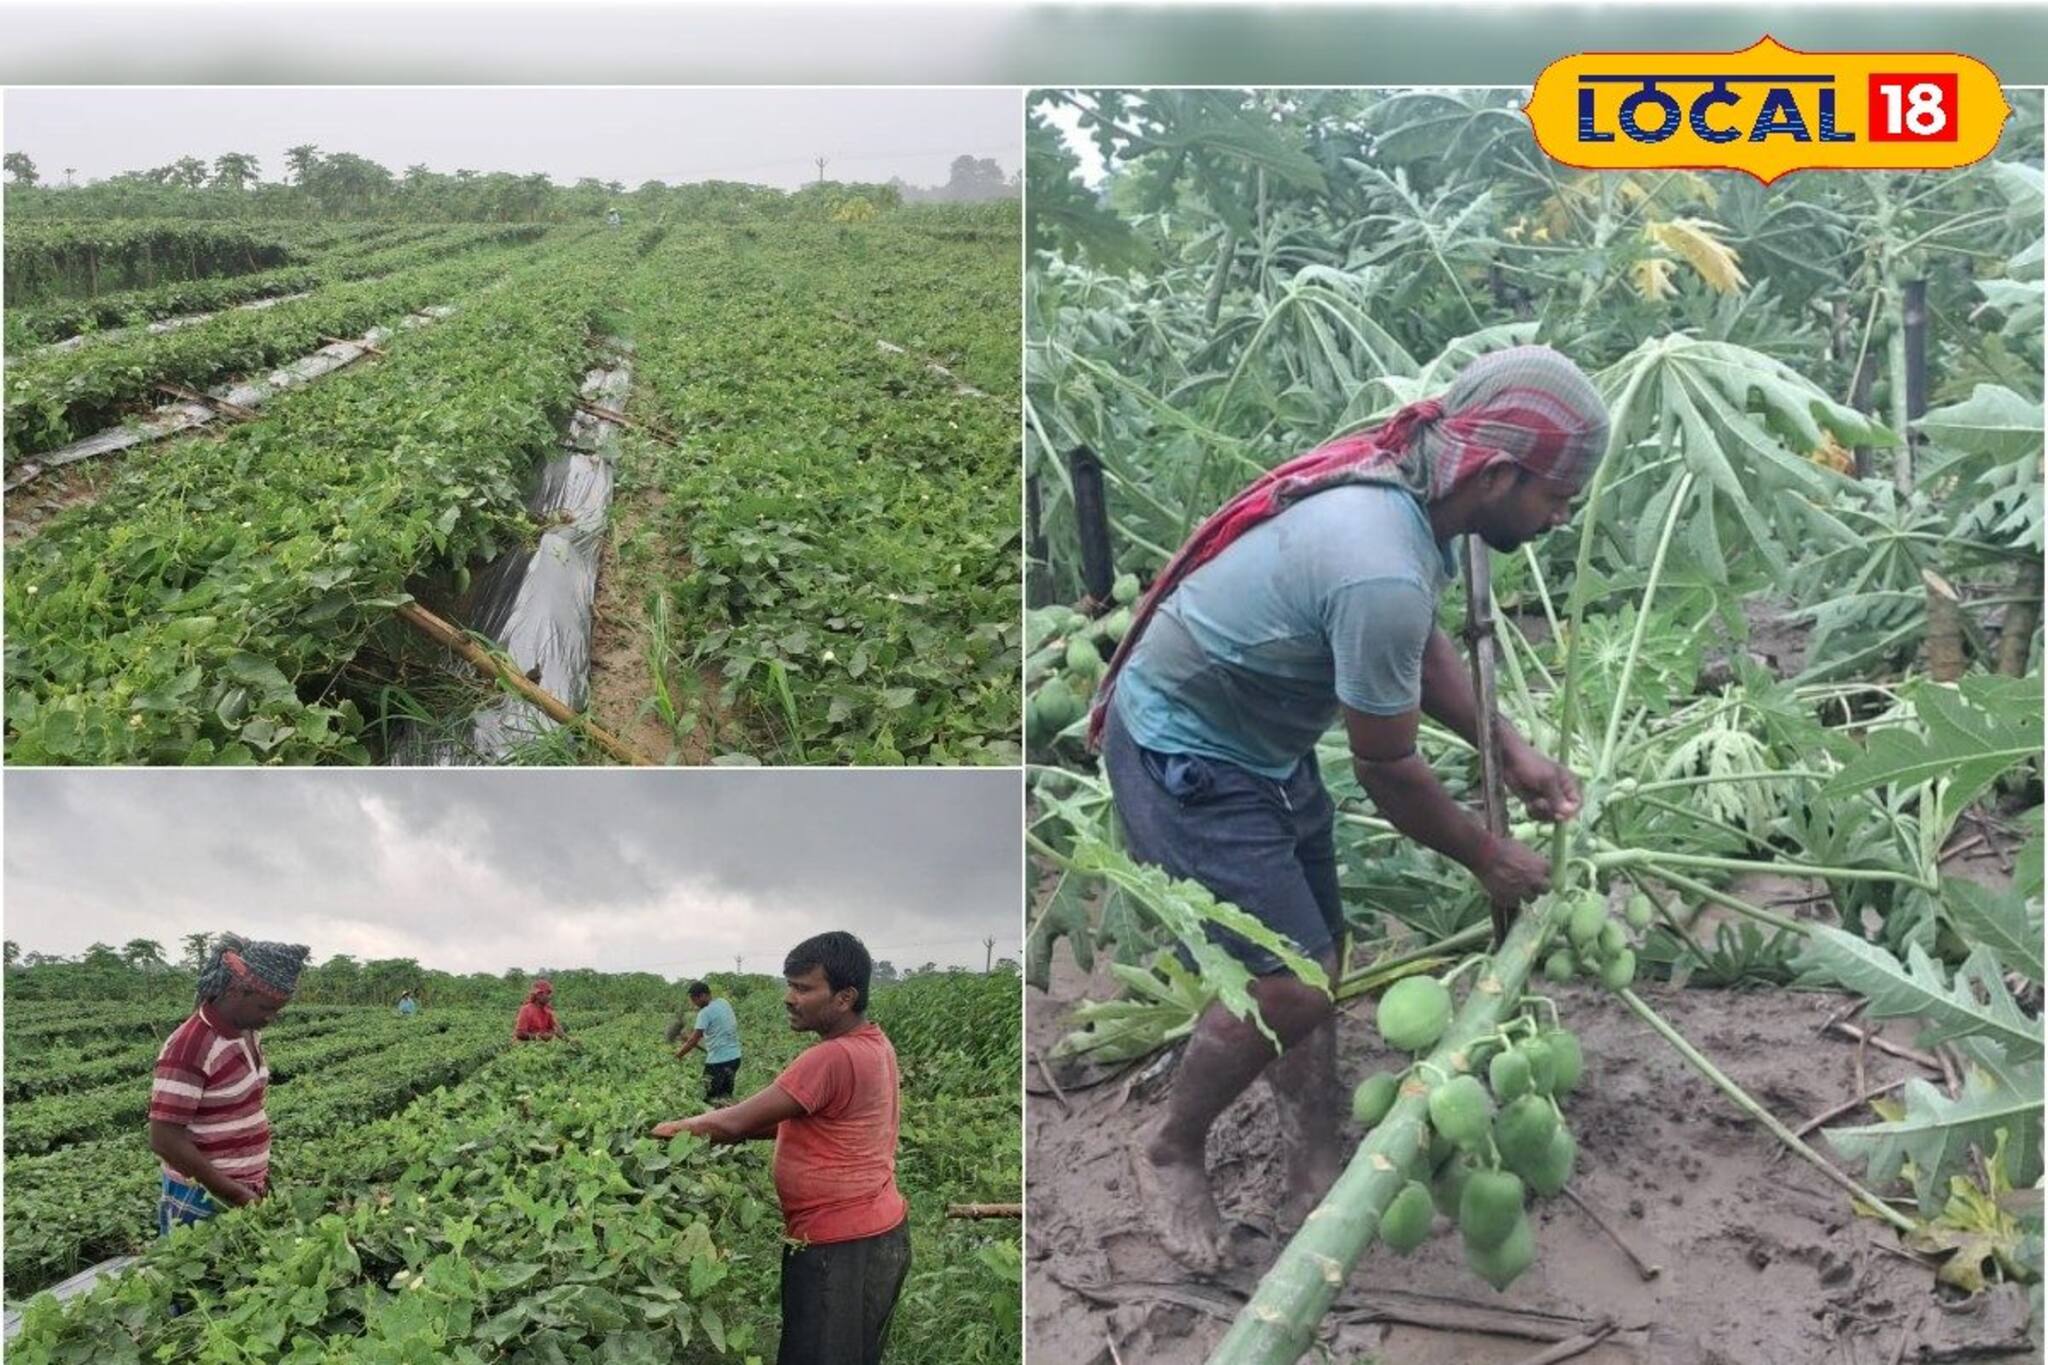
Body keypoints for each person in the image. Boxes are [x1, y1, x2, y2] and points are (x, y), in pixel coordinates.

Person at [1089, 345, 1608, 1273]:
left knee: (1318, 951)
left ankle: (1313, 1153)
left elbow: (1419, 644)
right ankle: (1169, 1144)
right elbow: (1389, 767)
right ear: (1497, 474)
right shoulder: (1379, 559)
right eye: (1557, 496)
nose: (1563, 514)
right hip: (1187, 749)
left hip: (1259, 740)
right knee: (1286, 982)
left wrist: (1507, 746)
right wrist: (1486, 854)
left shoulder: (1421, 507)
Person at [651, 932, 909, 1365]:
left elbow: (733, 1120)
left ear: (844, 997)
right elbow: (807, 1120)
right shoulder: (874, 1044)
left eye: (804, 988)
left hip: (839, 1246)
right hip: (878, 1235)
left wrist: (660, 1131)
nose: (789, 998)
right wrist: (736, 1130)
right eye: (790, 985)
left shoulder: (831, 1058)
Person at [148, 934, 309, 1236]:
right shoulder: (190, 1046)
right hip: (204, 1196)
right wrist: (234, 1193)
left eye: (277, 1010)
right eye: (266, 1007)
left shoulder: (247, 1030)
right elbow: (164, 1139)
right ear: (237, 991)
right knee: (198, 1278)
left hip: (245, 1186)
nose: (271, 1018)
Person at [668, 981, 743, 1104]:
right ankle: (732, 1119)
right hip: (734, 1058)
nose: (693, 1003)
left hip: (718, 1063)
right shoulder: (723, 1003)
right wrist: (687, 1038)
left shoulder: (705, 1013)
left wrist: (678, 1055)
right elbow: (714, 1030)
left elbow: (694, 1040)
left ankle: (715, 1121)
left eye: (694, 999)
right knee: (726, 1097)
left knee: (709, 1100)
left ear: (702, 996)